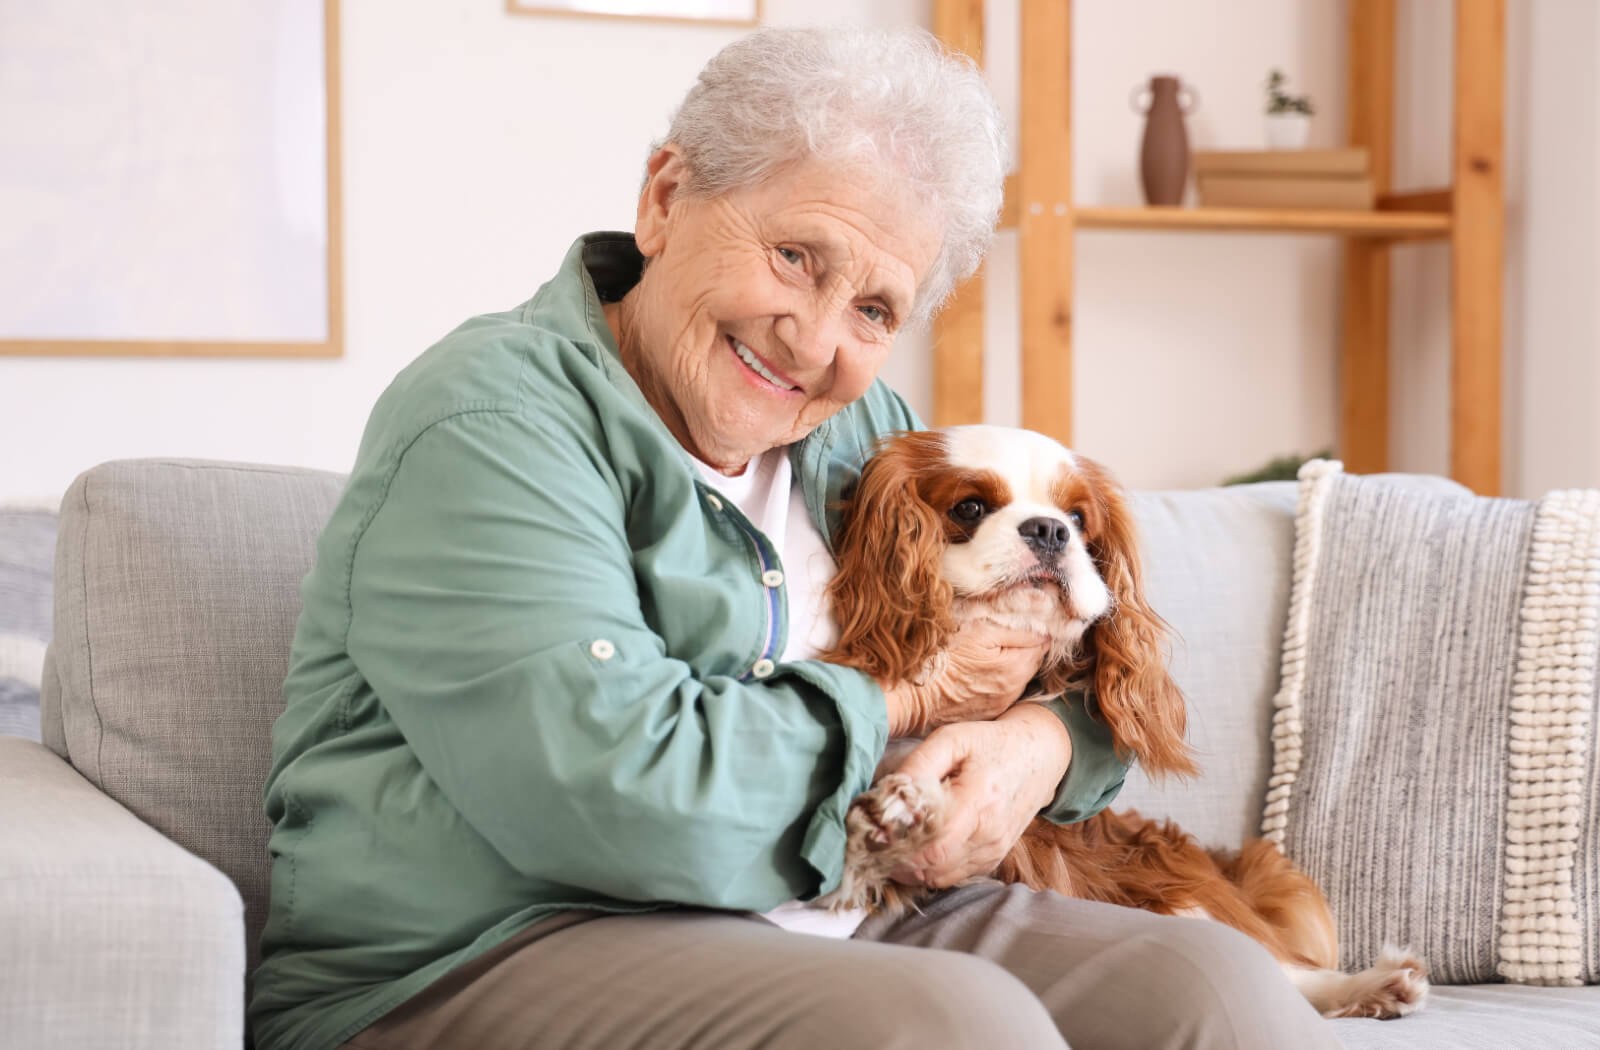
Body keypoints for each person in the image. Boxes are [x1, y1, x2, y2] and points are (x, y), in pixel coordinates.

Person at [250, 27, 1341, 1050]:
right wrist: (909, 702)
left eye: (874, 310)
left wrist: (1036, 749)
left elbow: (1068, 676)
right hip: (494, 943)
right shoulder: (489, 425)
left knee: (1218, 990)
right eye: (794, 257)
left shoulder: (858, 436)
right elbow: (620, 801)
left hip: (838, 908)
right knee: (953, 1031)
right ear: (666, 197)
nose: (817, 340)